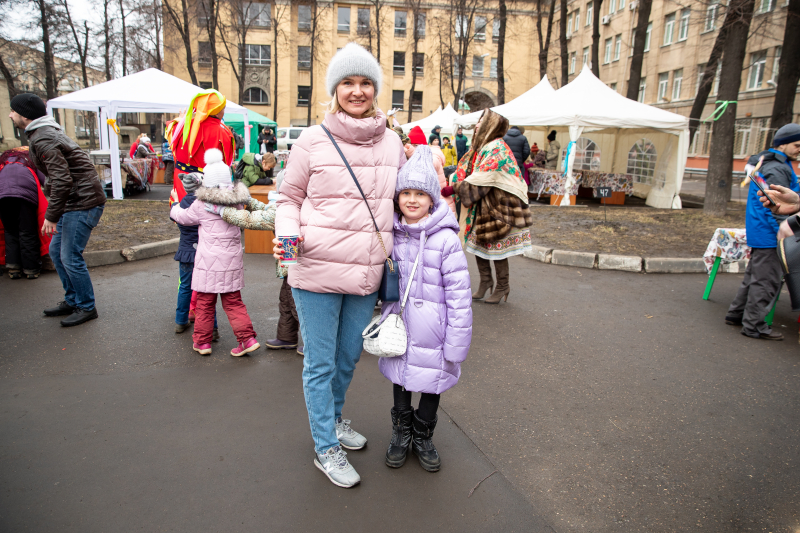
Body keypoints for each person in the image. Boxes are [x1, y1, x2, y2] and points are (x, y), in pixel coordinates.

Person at [274, 43, 405, 488]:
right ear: (335, 90)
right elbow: (288, 198)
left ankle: (332, 418)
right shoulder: (311, 140)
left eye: (365, 82)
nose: (357, 90)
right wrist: (288, 236)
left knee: (348, 357)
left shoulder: (393, 142)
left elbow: (405, 201)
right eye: (347, 82)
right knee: (320, 363)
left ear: (375, 89)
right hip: (315, 270)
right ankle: (325, 447)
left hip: (366, 272)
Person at [379, 145, 472, 472]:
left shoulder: (446, 240)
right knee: (401, 379)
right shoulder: (391, 234)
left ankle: (423, 436)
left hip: (436, 333)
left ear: (432, 199)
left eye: (420, 193)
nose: (412, 199)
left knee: (433, 383)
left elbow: (460, 296)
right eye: (406, 193)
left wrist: (457, 342)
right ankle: (401, 433)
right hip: (400, 327)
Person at [9, 93, 106, 327]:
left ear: (24, 115)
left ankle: (86, 306)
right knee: (56, 252)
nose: (10, 115)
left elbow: (62, 179)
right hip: (73, 201)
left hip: (82, 202)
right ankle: (73, 300)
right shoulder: (42, 132)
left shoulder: (44, 137)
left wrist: (51, 216)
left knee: (70, 256)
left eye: (13, 111)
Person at [170, 148, 261, 356]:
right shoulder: (237, 201)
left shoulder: (201, 203)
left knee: (204, 303)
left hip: (208, 263)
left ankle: (202, 342)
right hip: (231, 261)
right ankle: (247, 339)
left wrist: (174, 204)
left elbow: (183, 217)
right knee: (234, 302)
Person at [444, 109, 532, 304]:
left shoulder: (496, 148)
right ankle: (486, 282)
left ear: (490, 125)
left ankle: (502, 286)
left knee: (496, 246)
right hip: (484, 203)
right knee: (478, 244)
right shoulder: (485, 146)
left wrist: (454, 188)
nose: (477, 125)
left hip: (498, 205)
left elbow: (481, 179)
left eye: (481, 122)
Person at [726, 123, 800, 341]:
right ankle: (754, 326)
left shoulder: (766, 162)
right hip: (772, 234)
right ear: (782, 144)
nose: (799, 150)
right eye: (797, 145)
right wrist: (786, 232)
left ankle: (737, 314)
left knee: (755, 277)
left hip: (762, 232)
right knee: (766, 281)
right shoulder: (777, 168)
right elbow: (775, 205)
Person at [170, 172, 219, 340]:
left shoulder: (182, 204)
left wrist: (175, 201)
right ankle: (212, 327)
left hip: (186, 252)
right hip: (204, 252)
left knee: (185, 287)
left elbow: (174, 214)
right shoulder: (205, 204)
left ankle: (180, 321)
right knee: (207, 290)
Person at [166, 89, 235, 203]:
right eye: (223, 109)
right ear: (216, 112)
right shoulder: (224, 133)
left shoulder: (181, 127)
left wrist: (180, 120)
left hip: (182, 180)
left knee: (181, 208)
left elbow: (171, 133)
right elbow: (226, 163)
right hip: (206, 184)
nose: (224, 112)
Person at [0, 147, 50, 279]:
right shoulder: (29, 160)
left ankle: (13, 268)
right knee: (27, 231)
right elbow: (45, 181)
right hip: (25, 198)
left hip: (2, 197)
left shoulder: (4, 162)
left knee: (10, 231)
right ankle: (31, 269)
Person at [406, 126, 455, 215]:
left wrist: (412, 153)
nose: (413, 148)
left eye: (416, 145)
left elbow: (429, 165)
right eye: (411, 145)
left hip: (439, 204)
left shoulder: (432, 157)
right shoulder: (408, 160)